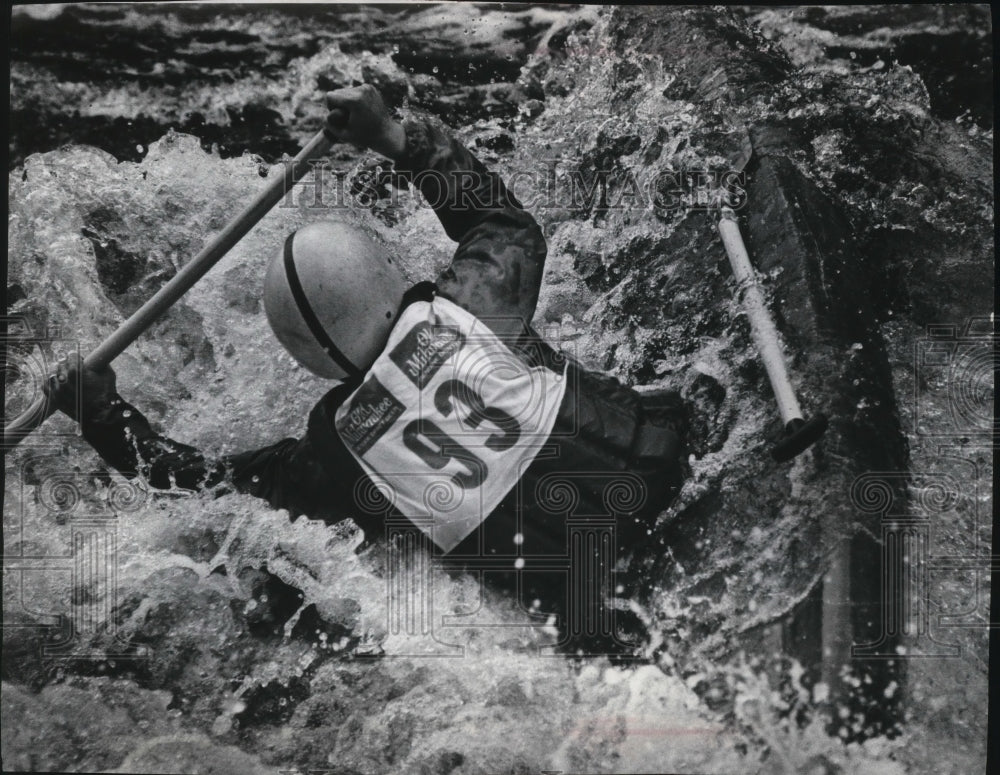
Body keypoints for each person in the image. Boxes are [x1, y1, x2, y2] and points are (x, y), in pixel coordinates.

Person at [45, 84, 689, 651]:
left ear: (306, 355)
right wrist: (393, 138)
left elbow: (198, 482)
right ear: (385, 273)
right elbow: (501, 219)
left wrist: (100, 414)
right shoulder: (475, 305)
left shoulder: (327, 465)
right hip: (666, 472)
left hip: (586, 595)